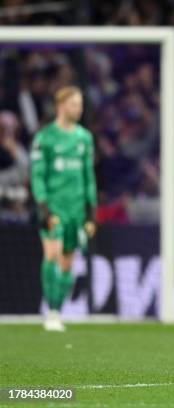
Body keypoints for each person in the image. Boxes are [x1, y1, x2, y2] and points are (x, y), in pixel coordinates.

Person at [31, 86, 97, 332]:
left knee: (68, 263)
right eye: (74, 104)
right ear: (61, 106)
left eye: (80, 104)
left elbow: (89, 177)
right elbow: (37, 176)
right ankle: (51, 311)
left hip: (77, 210)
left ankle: (57, 310)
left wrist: (92, 213)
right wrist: (44, 208)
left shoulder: (84, 138)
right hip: (54, 208)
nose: (78, 109)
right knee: (52, 255)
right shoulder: (45, 138)